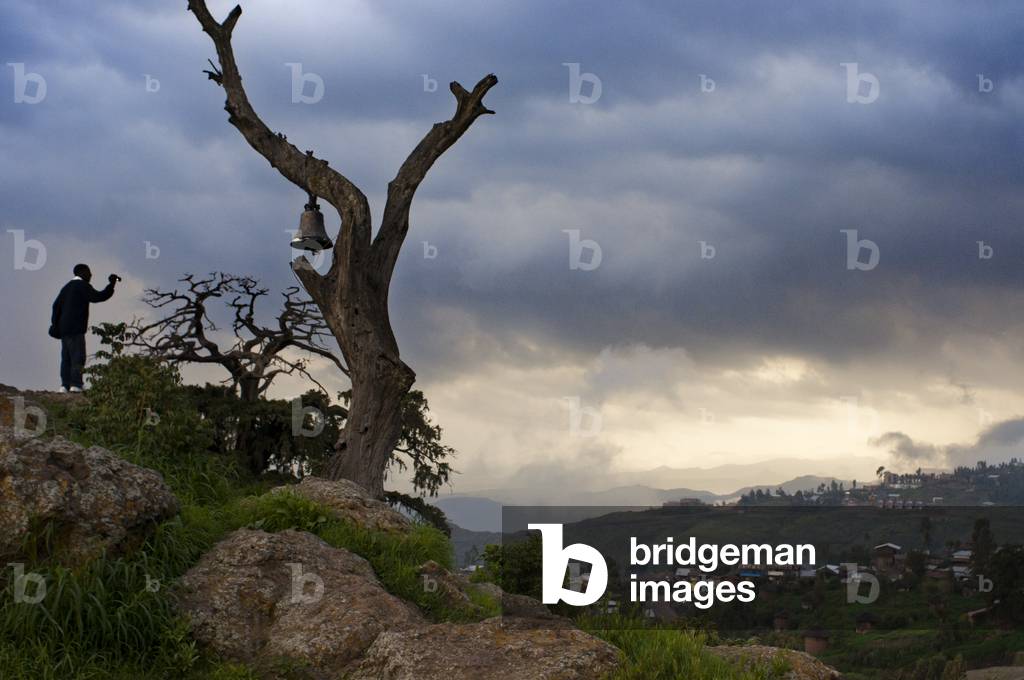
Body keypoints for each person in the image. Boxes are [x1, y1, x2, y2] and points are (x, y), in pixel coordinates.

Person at [50, 264, 119, 392]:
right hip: (76, 328)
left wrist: (55, 324)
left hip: (64, 329)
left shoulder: (66, 288)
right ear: (82, 272)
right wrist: (111, 285)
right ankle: (76, 385)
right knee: (77, 356)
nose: (91, 275)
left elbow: (55, 307)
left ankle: (64, 386)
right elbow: (98, 297)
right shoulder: (81, 286)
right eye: (89, 272)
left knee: (66, 358)